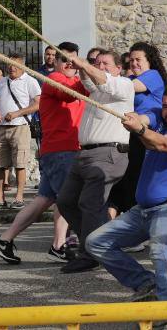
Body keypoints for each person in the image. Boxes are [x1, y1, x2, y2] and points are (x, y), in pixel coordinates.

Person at [86, 85, 167, 313]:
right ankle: (146, 284)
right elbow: (146, 118)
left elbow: (162, 143)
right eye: (166, 106)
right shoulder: (161, 119)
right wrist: (136, 119)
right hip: (143, 210)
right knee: (95, 242)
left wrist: (139, 129)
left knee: (159, 249)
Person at [0, 42, 84, 266]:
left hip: (60, 149)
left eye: (73, 59)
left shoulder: (74, 80)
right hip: (61, 150)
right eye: (64, 59)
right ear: (56, 63)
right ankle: (80, 246)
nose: (69, 63)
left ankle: (5, 240)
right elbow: (72, 94)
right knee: (69, 200)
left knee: (44, 200)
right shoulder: (55, 80)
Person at [56, 49, 135, 274]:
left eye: (106, 63)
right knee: (66, 201)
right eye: (97, 63)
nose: (100, 67)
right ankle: (100, 243)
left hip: (108, 154)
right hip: (85, 154)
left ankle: (90, 254)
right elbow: (90, 81)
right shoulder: (97, 90)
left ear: (118, 68)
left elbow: (103, 81)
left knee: (89, 204)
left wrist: (84, 64)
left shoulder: (124, 85)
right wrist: (79, 67)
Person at [108, 42, 167, 216]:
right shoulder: (131, 79)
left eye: (138, 59)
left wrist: (105, 80)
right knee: (124, 181)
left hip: (146, 134)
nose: (134, 63)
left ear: (149, 61)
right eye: (132, 60)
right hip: (131, 133)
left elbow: (129, 89)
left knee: (136, 179)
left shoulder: (152, 75)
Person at [0, 52, 41, 209]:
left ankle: (19, 197)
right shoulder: (3, 82)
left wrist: (17, 113)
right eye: (9, 63)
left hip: (20, 126)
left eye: (14, 64)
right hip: (2, 127)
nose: (11, 67)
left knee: (20, 163)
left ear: (22, 65)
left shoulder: (30, 81)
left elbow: (38, 104)